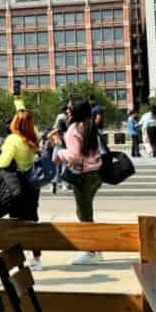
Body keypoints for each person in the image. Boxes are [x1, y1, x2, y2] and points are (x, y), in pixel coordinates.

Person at [53, 99, 103, 265]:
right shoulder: (89, 125)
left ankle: (90, 251)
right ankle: (97, 248)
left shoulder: (74, 128)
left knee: (84, 214)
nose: (67, 111)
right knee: (87, 211)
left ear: (76, 111)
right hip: (96, 173)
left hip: (82, 176)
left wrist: (60, 153)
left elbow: (74, 155)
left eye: (69, 108)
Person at [0, 110, 43, 269]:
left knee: (15, 222)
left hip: (17, 184)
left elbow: (2, 162)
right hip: (32, 183)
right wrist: (18, 100)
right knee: (32, 220)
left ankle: (17, 261)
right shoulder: (33, 135)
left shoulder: (13, 139)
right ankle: (37, 259)